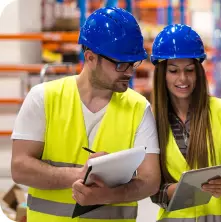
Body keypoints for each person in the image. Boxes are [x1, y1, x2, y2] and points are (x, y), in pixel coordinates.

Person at [10, 7, 160, 222]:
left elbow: (151, 180)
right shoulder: (43, 98)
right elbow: (20, 168)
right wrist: (80, 175)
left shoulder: (139, 108)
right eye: (121, 64)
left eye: (133, 63)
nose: (129, 72)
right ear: (90, 58)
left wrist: (109, 195)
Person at [150, 24, 221, 222]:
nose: (183, 78)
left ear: (199, 72)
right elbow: (154, 188)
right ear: (162, 74)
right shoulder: (152, 122)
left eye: (189, 70)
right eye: (173, 70)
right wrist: (178, 191)